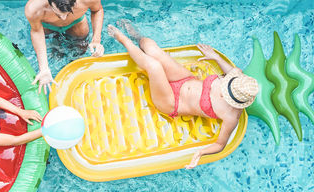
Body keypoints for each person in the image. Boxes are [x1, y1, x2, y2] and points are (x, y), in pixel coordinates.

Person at [108, 20, 260, 169]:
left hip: (171, 101)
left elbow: (220, 145)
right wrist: (215, 57)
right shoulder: (237, 80)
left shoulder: (231, 117)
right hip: (184, 79)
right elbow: (233, 70)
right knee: (151, 47)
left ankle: (123, 39)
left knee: (154, 67)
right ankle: (136, 36)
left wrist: (200, 153)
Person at [25, 0, 105, 94]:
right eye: (58, 14)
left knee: (79, 52)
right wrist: (44, 68)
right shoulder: (34, 8)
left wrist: (96, 40)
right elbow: (36, 31)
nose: (63, 18)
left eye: (68, 13)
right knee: (56, 52)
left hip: (76, 23)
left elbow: (97, 10)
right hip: (48, 26)